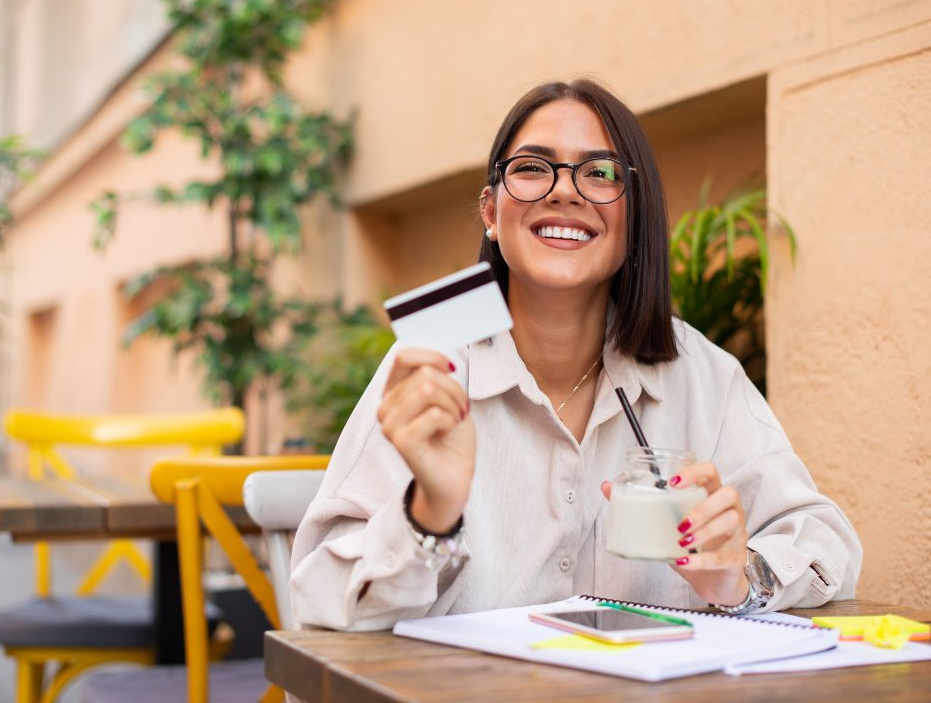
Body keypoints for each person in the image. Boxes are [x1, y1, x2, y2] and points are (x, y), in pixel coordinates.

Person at [289, 79, 861, 630]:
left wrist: (741, 576)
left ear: (632, 217)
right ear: (491, 212)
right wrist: (428, 515)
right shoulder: (431, 366)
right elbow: (316, 595)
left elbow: (824, 542)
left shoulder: (701, 374)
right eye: (533, 168)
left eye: (600, 172)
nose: (565, 190)